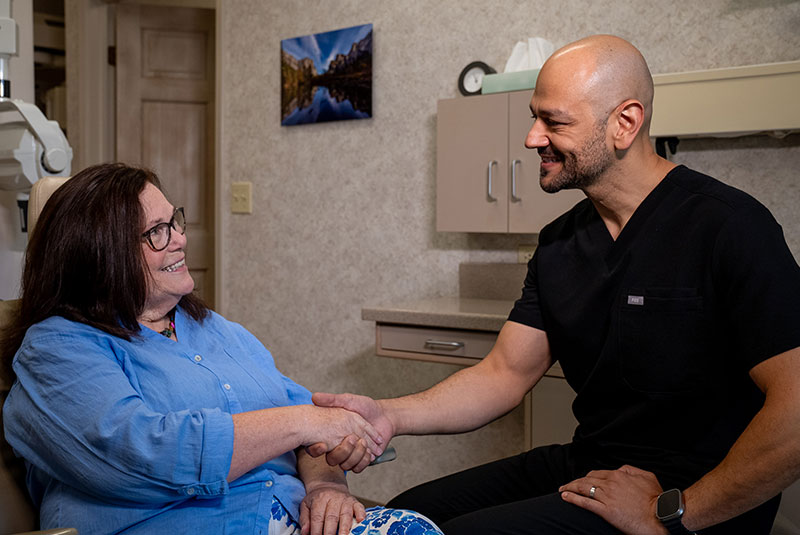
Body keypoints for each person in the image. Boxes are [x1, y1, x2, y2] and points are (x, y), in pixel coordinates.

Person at [312, 35, 800, 534]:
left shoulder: (729, 227)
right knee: (401, 518)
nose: (531, 138)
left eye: (554, 121)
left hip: (695, 491)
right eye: (533, 117)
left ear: (624, 123)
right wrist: (389, 414)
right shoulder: (559, 244)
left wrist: (675, 513)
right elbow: (503, 374)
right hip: (593, 466)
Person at [1, 163, 442, 535]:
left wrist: (327, 486)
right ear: (101, 255)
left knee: (421, 523)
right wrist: (304, 423)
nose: (179, 239)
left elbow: (310, 427)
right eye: (156, 232)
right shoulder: (58, 348)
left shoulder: (212, 329)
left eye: (174, 221)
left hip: (284, 518)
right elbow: (144, 453)